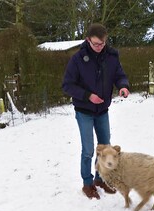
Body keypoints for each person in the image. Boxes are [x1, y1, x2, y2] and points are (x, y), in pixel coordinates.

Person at [62, 23, 130, 199]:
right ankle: (87, 183)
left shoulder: (112, 56)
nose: (99, 47)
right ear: (88, 40)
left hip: (102, 111)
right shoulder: (77, 59)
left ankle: (101, 179)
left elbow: (119, 75)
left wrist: (123, 86)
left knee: (105, 148)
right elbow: (67, 85)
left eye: (102, 44)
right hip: (84, 110)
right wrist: (87, 96)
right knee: (88, 150)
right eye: (95, 44)